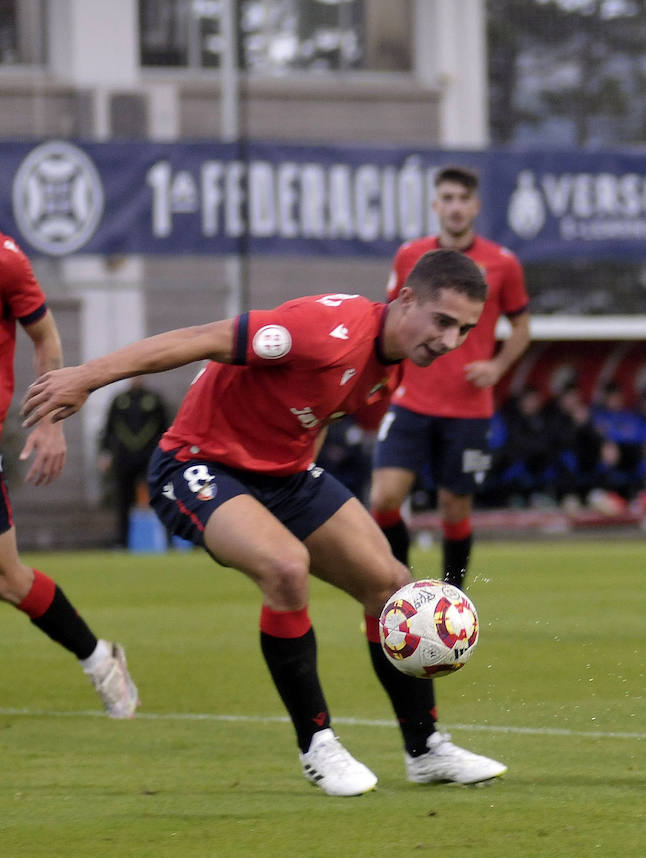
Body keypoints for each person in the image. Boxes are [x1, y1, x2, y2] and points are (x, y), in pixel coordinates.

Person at [23, 250, 507, 796]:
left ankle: (426, 749)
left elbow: (315, 412)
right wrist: (86, 378)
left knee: (394, 588)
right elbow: (201, 338)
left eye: (464, 329)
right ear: (406, 299)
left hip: (288, 476)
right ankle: (318, 744)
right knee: (285, 567)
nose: (450, 341)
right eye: (443, 321)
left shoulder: (389, 368)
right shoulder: (325, 330)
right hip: (197, 465)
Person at [370, 165, 531, 590]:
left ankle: (453, 600)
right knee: (384, 500)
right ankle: (399, 587)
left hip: (469, 409)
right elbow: (388, 318)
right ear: (435, 205)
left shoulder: (503, 263)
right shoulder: (411, 257)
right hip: (411, 400)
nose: (456, 207)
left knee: (454, 507)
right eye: (448, 198)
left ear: (475, 206)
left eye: (463, 199)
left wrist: (496, 367)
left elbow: (522, 328)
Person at [0, 232, 138, 719]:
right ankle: (99, 657)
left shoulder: (6, 259)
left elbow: (46, 340)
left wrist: (49, 422)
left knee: (9, 578)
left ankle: (100, 659)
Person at [98, 377, 171, 548]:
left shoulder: (154, 399)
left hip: (149, 457)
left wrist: (166, 454)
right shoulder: (119, 400)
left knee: (160, 496)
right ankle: (122, 542)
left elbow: (165, 427)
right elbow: (108, 428)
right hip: (124, 458)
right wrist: (105, 453)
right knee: (123, 501)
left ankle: (168, 540)